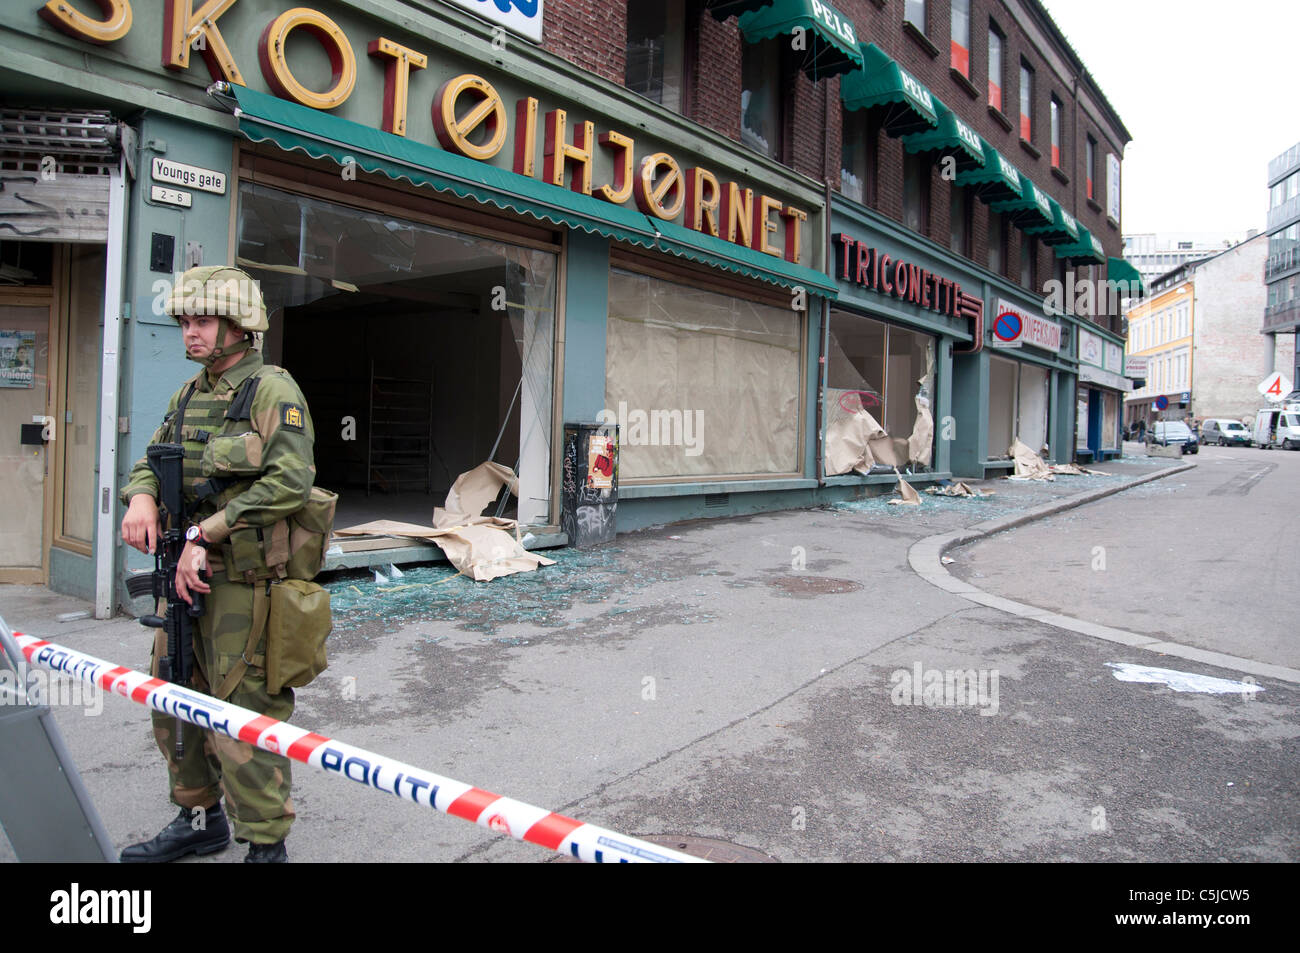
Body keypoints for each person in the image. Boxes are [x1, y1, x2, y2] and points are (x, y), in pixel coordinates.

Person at [118, 265, 317, 863]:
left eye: (202, 321)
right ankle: (199, 817)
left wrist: (206, 532)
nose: (190, 333)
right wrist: (142, 495)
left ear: (238, 325)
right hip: (183, 575)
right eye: (184, 322)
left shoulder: (272, 390)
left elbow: (291, 482)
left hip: (244, 583)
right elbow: (157, 458)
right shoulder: (191, 393)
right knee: (174, 696)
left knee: (243, 710)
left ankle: (265, 845)